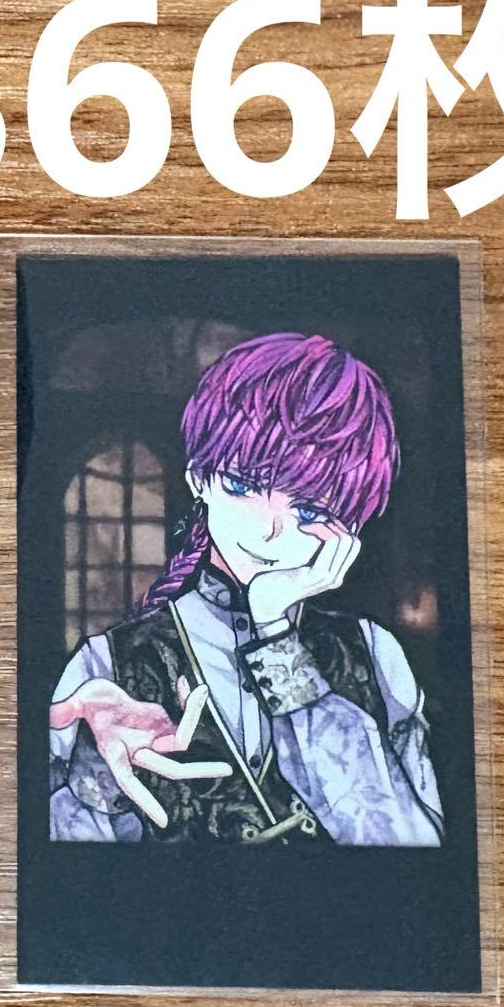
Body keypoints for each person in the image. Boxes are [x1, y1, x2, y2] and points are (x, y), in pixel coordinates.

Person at [49, 332, 444, 846]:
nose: (269, 531)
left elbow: (410, 849)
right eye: (243, 486)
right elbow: (67, 859)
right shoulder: (106, 666)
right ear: (199, 479)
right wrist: (91, 776)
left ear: (350, 526)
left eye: (310, 511)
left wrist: (275, 636)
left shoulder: (373, 653)